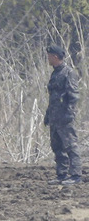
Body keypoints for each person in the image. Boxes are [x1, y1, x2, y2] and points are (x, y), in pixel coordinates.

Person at [45, 44, 81, 185]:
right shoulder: (55, 73)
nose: (47, 59)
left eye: (49, 56)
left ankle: (76, 175)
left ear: (55, 57)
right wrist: (48, 115)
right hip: (55, 117)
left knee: (70, 145)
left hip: (65, 117)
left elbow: (73, 96)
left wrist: (69, 114)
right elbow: (53, 96)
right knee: (57, 147)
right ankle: (62, 174)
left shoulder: (68, 73)